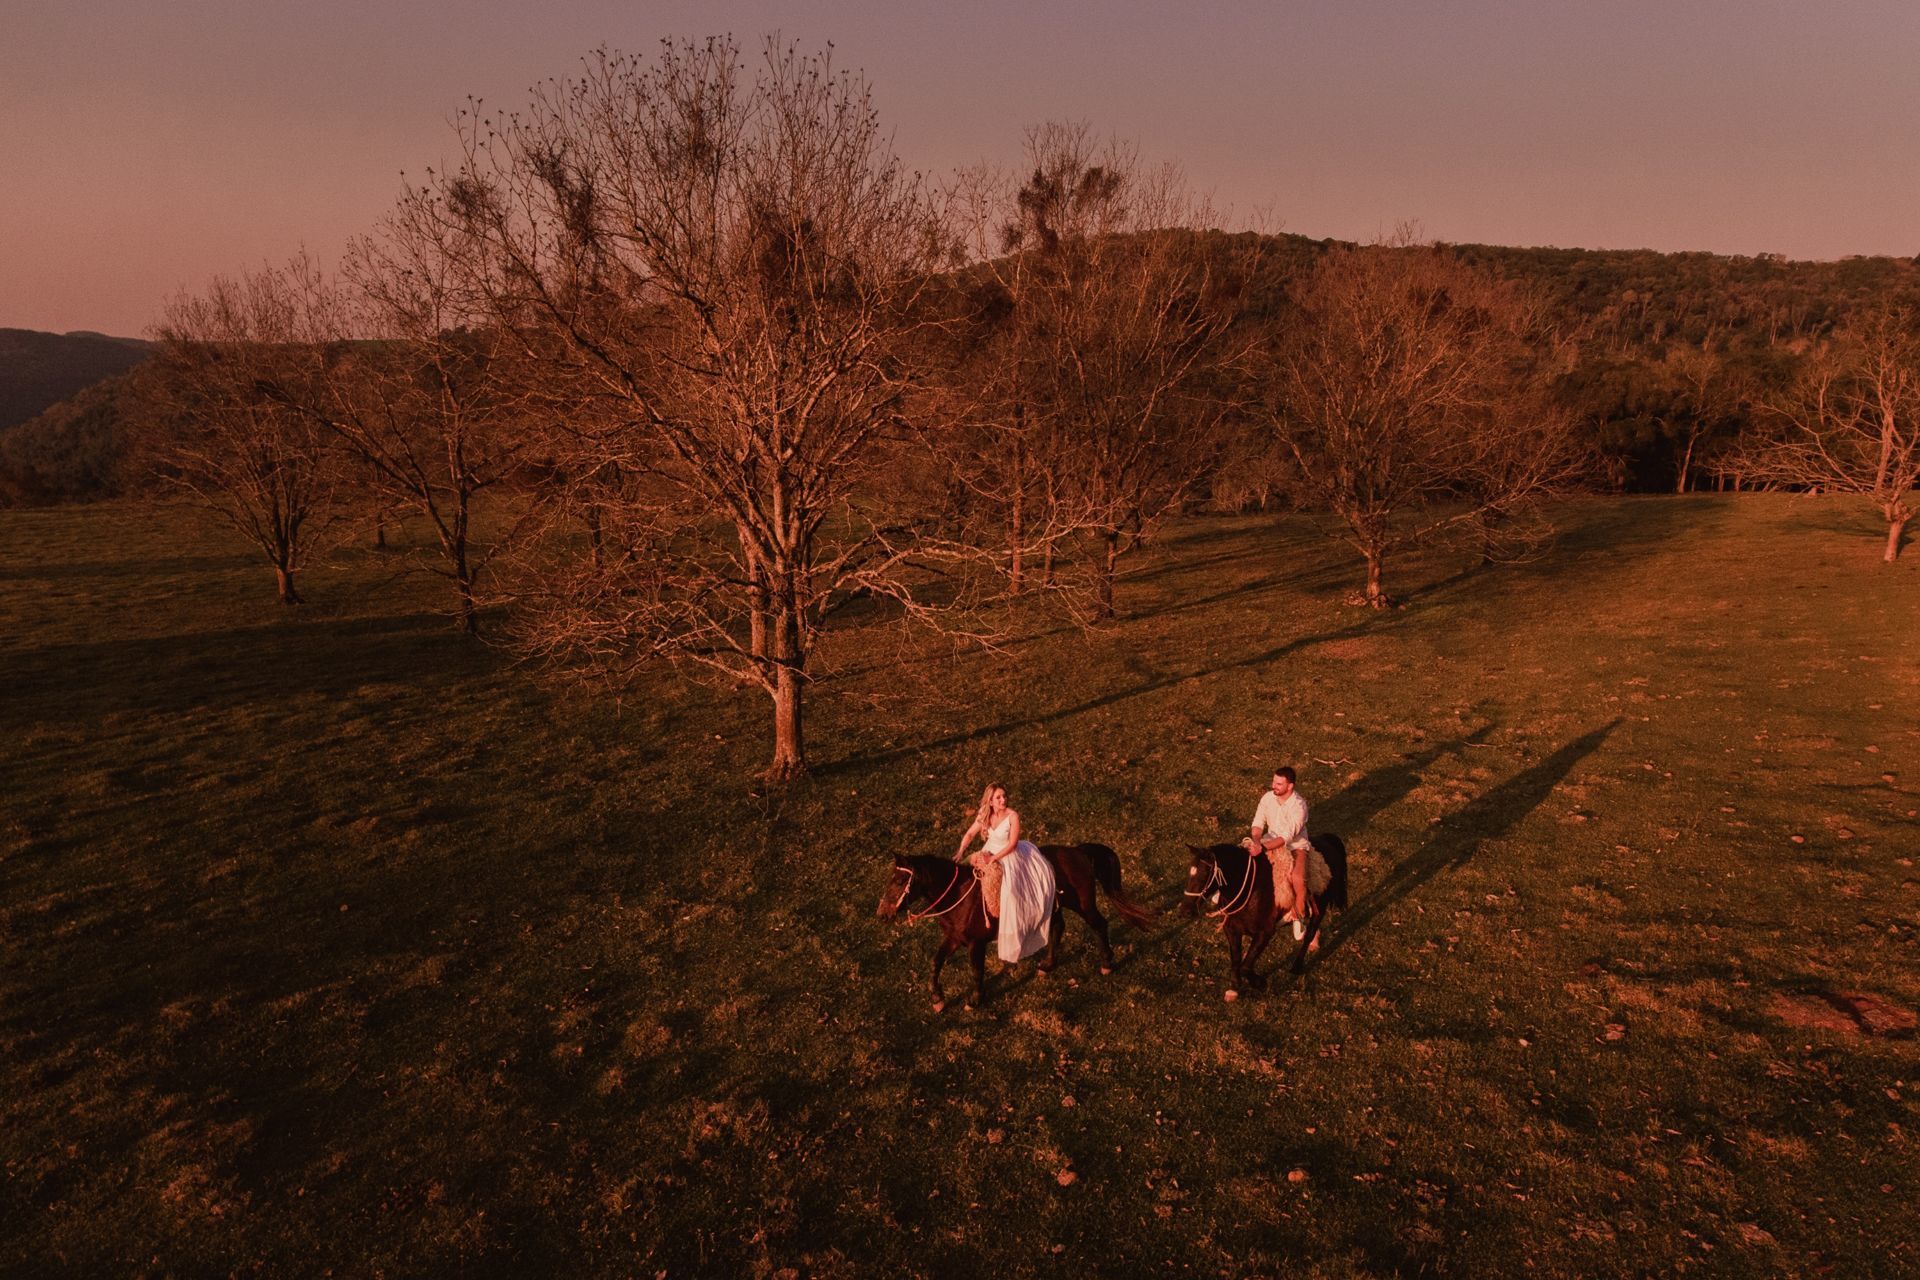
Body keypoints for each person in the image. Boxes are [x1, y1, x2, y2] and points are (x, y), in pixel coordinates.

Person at [954, 783, 1057, 963]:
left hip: (1009, 855)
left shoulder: (1012, 816)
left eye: (1004, 796)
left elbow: (1012, 845)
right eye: (998, 797)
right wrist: (962, 850)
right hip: (989, 850)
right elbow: (970, 834)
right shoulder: (984, 814)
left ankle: (1011, 927)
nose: (1003, 800)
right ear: (991, 802)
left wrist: (993, 859)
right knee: (966, 872)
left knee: (1009, 891)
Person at [1245, 765, 1323, 941]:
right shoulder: (1267, 798)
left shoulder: (1299, 805)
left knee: (1297, 876)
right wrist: (1257, 841)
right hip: (1268, 839)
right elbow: (1258, 821)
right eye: (1274, 781)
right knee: (1244, 858)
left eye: (1279, 784)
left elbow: (1287, 836)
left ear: (1290, 786)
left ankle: (1299, 914)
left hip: (1294, 846)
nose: (1274, 786)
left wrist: (1263, 848)